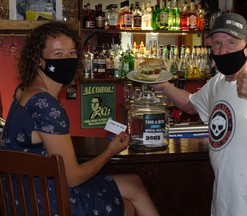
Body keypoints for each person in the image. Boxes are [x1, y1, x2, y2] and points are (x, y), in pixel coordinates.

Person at [1, 21, 159, 216]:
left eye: (72, 53)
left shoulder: (24, 91)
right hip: (47, 203)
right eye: (58, 54)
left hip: (23, 195)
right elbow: (73, 178)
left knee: (133, 182)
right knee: (126, 207)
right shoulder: (46, 106)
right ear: (38, 60)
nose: (67, 60)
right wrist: (110, 151)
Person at [151, 12, 247, 215]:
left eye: (231, 42)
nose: (223, 51)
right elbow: (192, 105)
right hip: (223, 206)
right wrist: (165, 86)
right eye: (217, 44)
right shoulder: (217, 83)